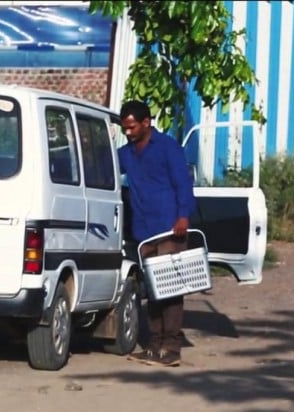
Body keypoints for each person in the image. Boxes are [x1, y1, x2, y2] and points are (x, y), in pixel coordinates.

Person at [117, 100, 197, 367]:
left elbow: (183, 183)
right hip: (144, 231)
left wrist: (183, 216)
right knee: (151, 289)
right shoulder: (126, 154)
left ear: (146, 123)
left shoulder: (167, 148)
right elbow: (106, 165)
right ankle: (153, 345)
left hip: (170, 228)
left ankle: (171, 347)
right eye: (124, 128)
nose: (128, 132)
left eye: (131, 127)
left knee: (170, 289)